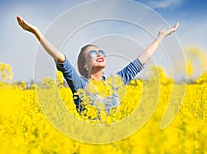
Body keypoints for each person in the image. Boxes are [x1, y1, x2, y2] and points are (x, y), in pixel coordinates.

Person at [16, 16, 179, 113]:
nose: (99, 54)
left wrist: (161, 36)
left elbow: (140, 61)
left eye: (101, 52)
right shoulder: (80, 85)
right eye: (92, 53)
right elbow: (61, 59)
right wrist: (37, 33)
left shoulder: (112, 83)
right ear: (84, 65)